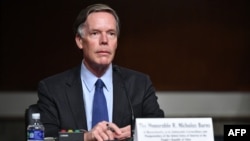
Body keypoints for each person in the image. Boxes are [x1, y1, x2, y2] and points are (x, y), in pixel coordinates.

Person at [37, 3, 164, 141]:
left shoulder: (140, 84)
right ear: (80, 41)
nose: (104, 41)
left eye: (111, 34)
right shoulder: (52, 88)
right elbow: (45, 137)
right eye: (95, 33)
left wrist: (136, 132)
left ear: (116, 42)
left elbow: (160, 130)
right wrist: (86, 137)